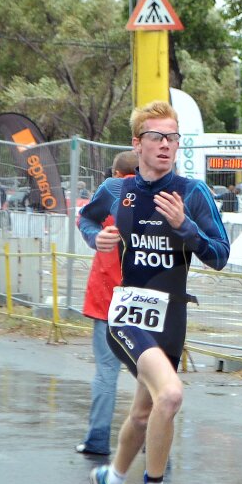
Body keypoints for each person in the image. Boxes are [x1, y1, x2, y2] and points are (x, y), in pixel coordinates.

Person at [82, 100, 231, 484]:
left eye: (173, 137)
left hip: (171, 317)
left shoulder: (192, 192)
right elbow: (86, 219)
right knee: (170, 396)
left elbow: (220, 256)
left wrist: (186, 227)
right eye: (157, 137)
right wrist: (100, 237)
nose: (166, 145)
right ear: (137, 143)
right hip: (126, 313)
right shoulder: (116, 189)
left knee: (145, 412)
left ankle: (111, 478)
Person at [75, 150, 139, 456]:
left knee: (105, 372)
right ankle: (153, 444)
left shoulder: (110, 198)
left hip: (107, 301)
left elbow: (84, 219)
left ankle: (97, 439)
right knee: (151, 380)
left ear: (115, 174)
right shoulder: (158, 198)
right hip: (146, 303)